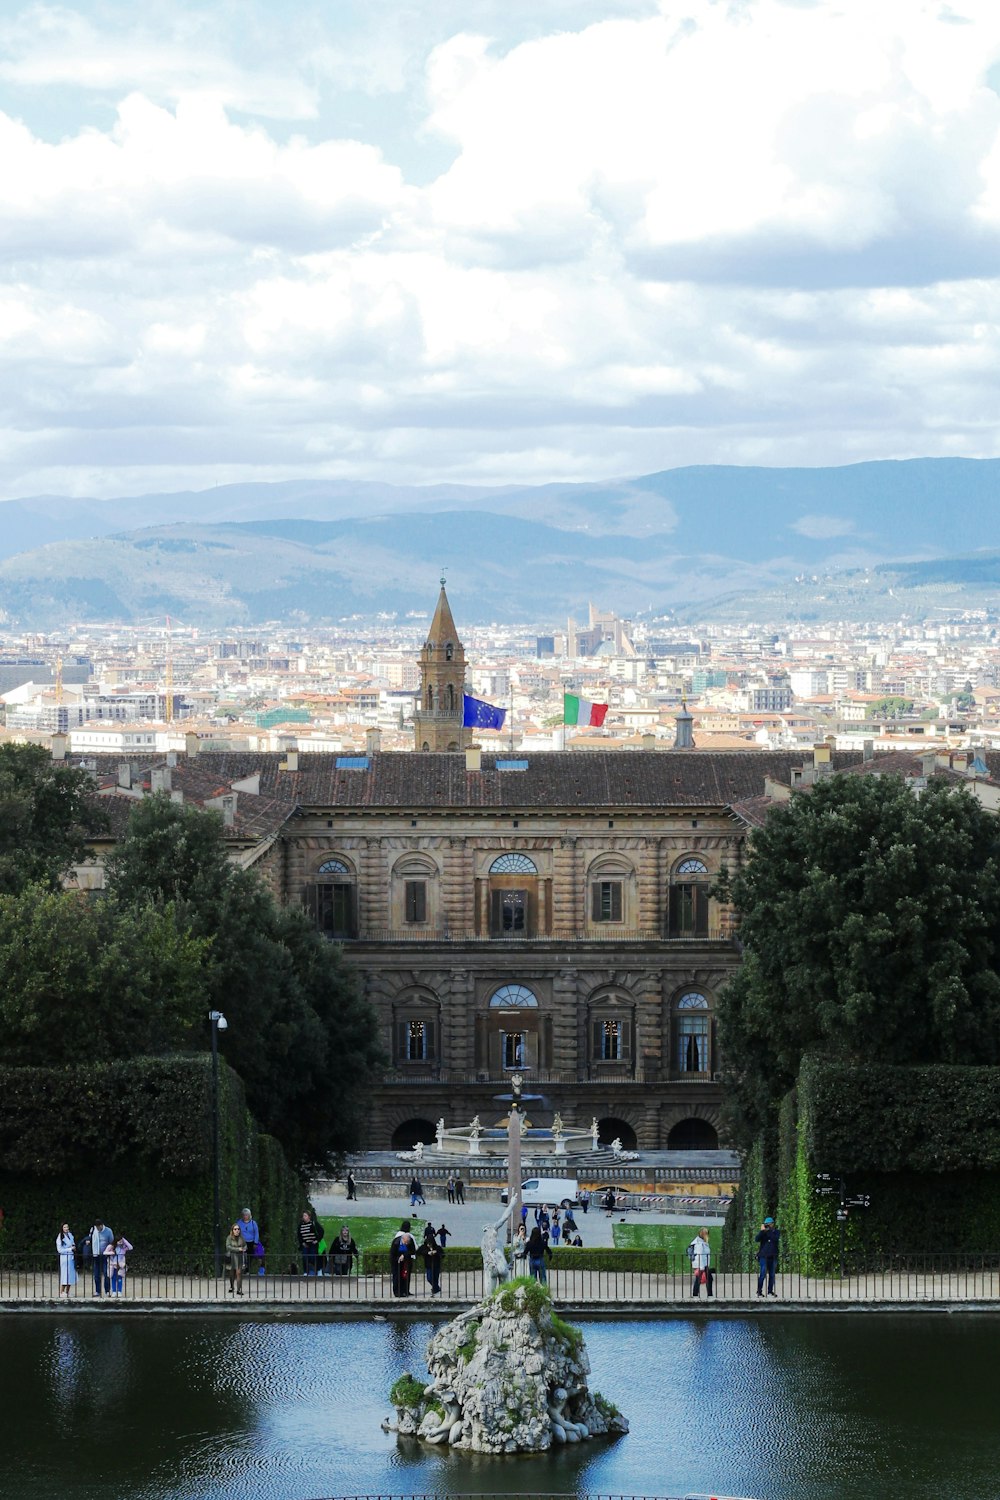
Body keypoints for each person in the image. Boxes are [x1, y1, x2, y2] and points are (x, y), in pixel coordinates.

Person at [389, 1220, 417, 1297]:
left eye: (408, 1243)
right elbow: (392, 1254)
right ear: (403, 1240)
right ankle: (397, 1292)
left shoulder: (409, 1240)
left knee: (405, 1276)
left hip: (406, 1261)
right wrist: (398, 1258)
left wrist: (404, 1255)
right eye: (406, 1243)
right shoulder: (396, 1242)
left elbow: (413, 1251)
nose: (407, 1244)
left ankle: (405, 1291)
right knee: (397, 1277)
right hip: (396, 1261)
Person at [88, 1220, 114, 1297]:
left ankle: (107, 1290)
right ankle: (98, 1291)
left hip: (105, 1255)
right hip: (96, 1254)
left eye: (98, 1227)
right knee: (96, 1274)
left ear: (102, 1225)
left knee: (107, 1273)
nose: (97, 1228)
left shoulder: (108, 1231)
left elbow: (111, 1242)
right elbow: (90, 1238)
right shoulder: (93, 1230)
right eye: (96, 1227)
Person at [755, 1216, 781, 1298]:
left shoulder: (776, 1232)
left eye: (769, 1224)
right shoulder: (763, 1232)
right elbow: (757, 1239)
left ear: (773, 1224)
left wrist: (768, 1231)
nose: (768, 1225)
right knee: (762, 1274)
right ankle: (759, 1291)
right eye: (766, 1224)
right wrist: (762, 1231)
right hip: (764, 1256)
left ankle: (770, 1291)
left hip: (773, 1256)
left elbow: (775, 1239)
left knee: (772, 1275)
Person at [689, 1227, 714, 1299]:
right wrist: (702, 1267)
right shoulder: (699, 1244)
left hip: (703, 1264)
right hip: (701, 1265)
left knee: (701, 1279)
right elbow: (699, 1255)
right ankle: (708, 1295)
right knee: (705, 1279)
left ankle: (696, 1294)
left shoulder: (701, 1242)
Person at [298, 1211, 323, 1276]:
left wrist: (317, 1240)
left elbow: (321, 1231)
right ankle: (306, 1272)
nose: (304, 1217)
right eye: (303, 1216)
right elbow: (299, 1235)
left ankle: (318, 1269)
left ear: (309, 1217)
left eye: (305, 1216)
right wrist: (302, 1242)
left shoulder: (313, 1223)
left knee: (313, 1257)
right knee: (305, 1257)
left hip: (313, 1244)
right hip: (305, 1244)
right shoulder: (301, 1225)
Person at [238, 1208, 261, 1276]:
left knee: (250, 1256)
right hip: (242, 1242)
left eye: (247, 1215)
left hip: (251, 1242)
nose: (245, 1216)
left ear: (249, 1215)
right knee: (242, 1255)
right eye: (244, 1215)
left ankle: (247, 1269)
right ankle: (242, 1267)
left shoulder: (253, 1223)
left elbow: (256, 1233)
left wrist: (255, 1242)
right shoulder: (239, 1222)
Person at [421, 1223, 443, 1294]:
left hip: (436, 1264)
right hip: (429, 1265)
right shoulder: (424, 1247)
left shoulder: (437, 1247)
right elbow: (419, 1251)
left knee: (435, 1278)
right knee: (429, 1278)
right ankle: (436, 1287)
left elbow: (442, 1254)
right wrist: (428, 1253)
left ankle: (435, 1288)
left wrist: (436, 1252)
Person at [56, 1224, 77, 1298]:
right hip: (65, 1258)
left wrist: (73, 1247)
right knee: (65, 1275)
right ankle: (61, 1292)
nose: (66, 1228)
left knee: (70, 1275)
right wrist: (70, 1249)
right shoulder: (60, 1237)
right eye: (64, 1227)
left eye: (67, 1227)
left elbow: (72, 1243)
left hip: (71, 1257)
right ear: (62, 1228)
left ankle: (67, 1292)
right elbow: (60, 1250)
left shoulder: (70, 1235)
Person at [225, 1223, 246, 1295]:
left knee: (239, 1273)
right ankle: (231, 1286)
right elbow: (228, 1247)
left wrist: (244, 1249)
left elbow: (245, 1245)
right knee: (232, 1273)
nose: (237, 1230)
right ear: (232, 1230)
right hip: (231, 1256)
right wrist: (238, 1249)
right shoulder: (229, 1237)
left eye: (238, 1229)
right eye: (235, 1229)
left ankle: (239, 1290)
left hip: (239, 1257)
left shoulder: (241, 1238)